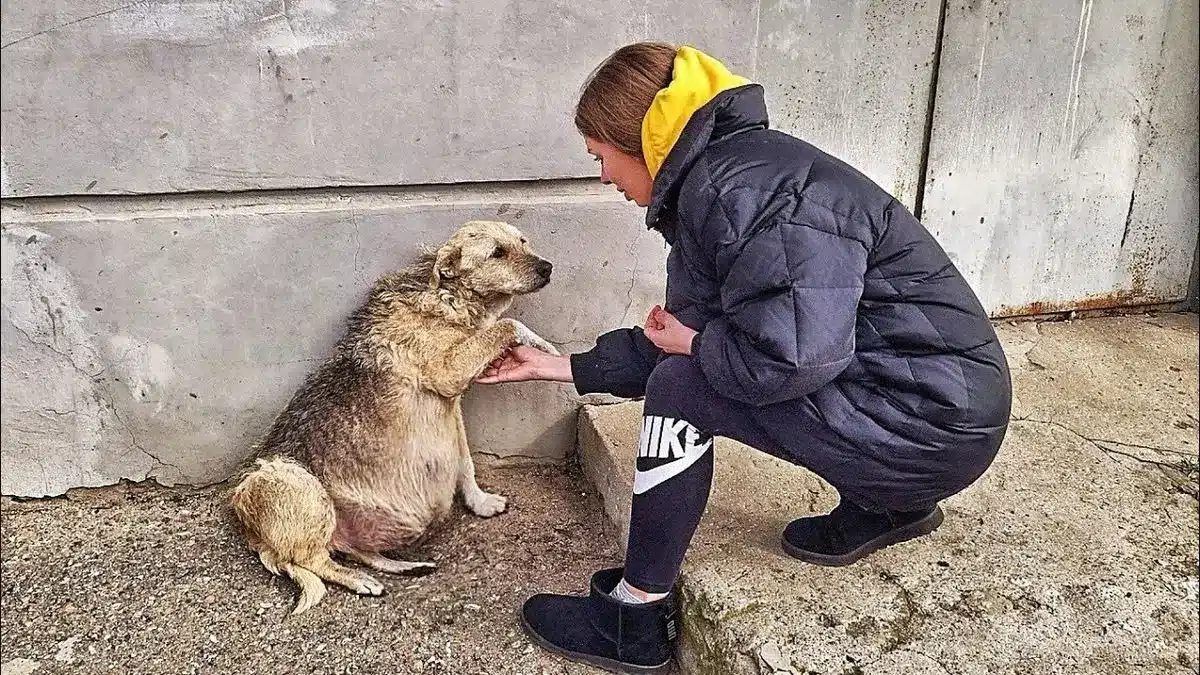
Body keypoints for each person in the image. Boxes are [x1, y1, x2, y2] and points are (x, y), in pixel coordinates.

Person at [476, 42, 1012, 673]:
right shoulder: (726, 181)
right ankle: (890, 504)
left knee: (679, 388)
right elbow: (687, 333)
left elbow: (790, 360)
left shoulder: (743, 195)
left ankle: (636, 617)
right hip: (938, 409)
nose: (603, 177)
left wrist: (696, 346)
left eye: (601, 156)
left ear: (641, 140)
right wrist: (559, 366)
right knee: (685, 368)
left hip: (932, 427)